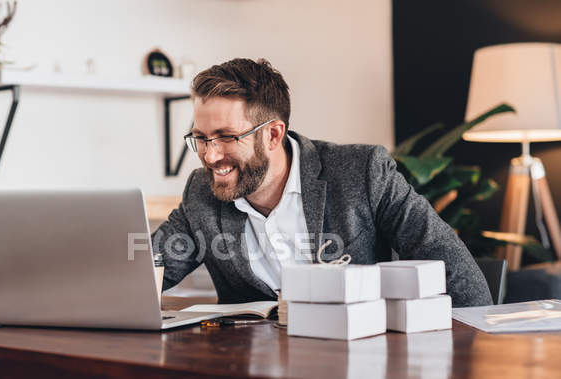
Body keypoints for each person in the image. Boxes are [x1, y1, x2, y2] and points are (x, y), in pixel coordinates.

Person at [152, 58, 492, 307]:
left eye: (226, 137)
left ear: (273, 134)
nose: (210, 156)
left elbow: (453, 269)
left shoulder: (361, 172)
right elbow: (145, 274)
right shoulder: (202, 191)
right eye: (200, 138)